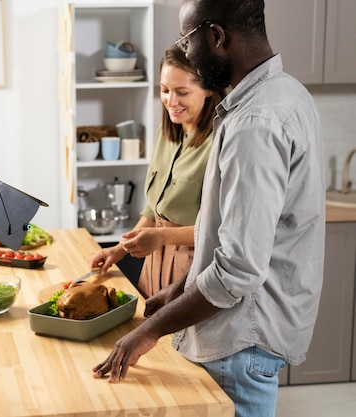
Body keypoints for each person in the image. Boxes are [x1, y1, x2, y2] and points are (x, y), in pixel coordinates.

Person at [92, 1, 325, 416]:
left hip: (240, 337)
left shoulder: (256, 121)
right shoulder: (286, 93)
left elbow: (237, 270)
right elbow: (234, 238)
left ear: (215, 36)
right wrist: (176, 291)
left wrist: (149, 332)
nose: (189, 53)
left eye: (188, 40)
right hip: (247, 331)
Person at [89, 45, 225, 300]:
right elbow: (156, 208)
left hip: (194, 267)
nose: (171, 102)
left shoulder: (220, 143)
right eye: (164, 91)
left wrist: (162, 236)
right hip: (155, 262)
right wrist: (118, 250)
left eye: (182, 92)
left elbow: (220, 231)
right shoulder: (168, 133)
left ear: (208, 89)